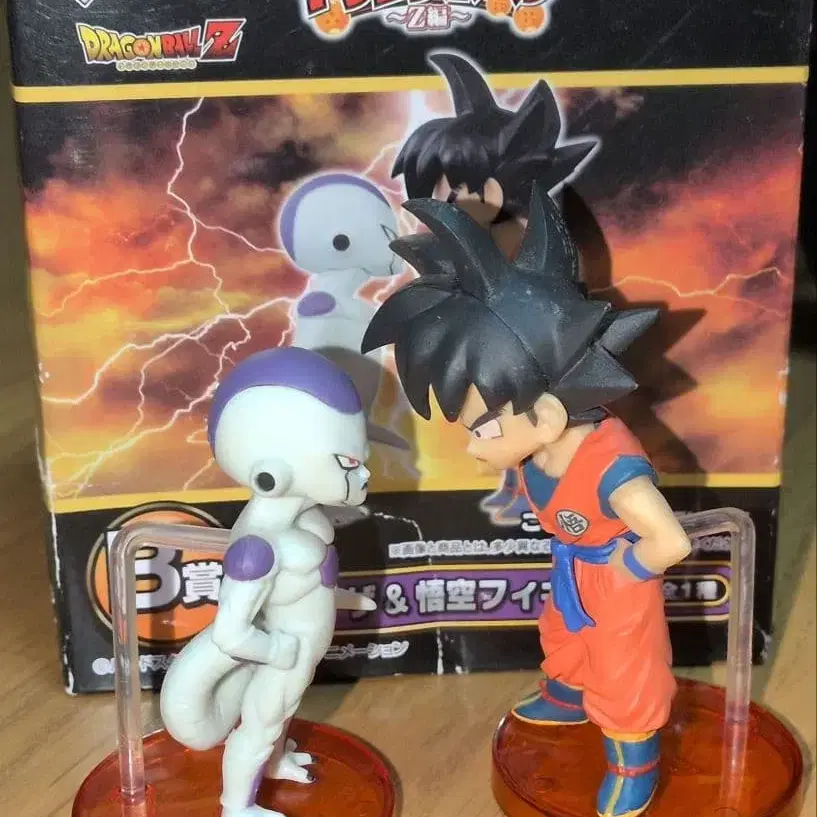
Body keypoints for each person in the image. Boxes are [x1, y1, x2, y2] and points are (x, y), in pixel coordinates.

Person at [362, 187, 691, 817]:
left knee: (625, 674)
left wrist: (624, 571)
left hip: (617, 578)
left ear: (545, 415)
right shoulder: (538, 449)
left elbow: (669, 540)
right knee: (562, 635)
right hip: (574, 569)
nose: (473, 447)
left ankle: (635, 764)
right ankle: (567, 698)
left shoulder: (613, 471)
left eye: (481, 429)